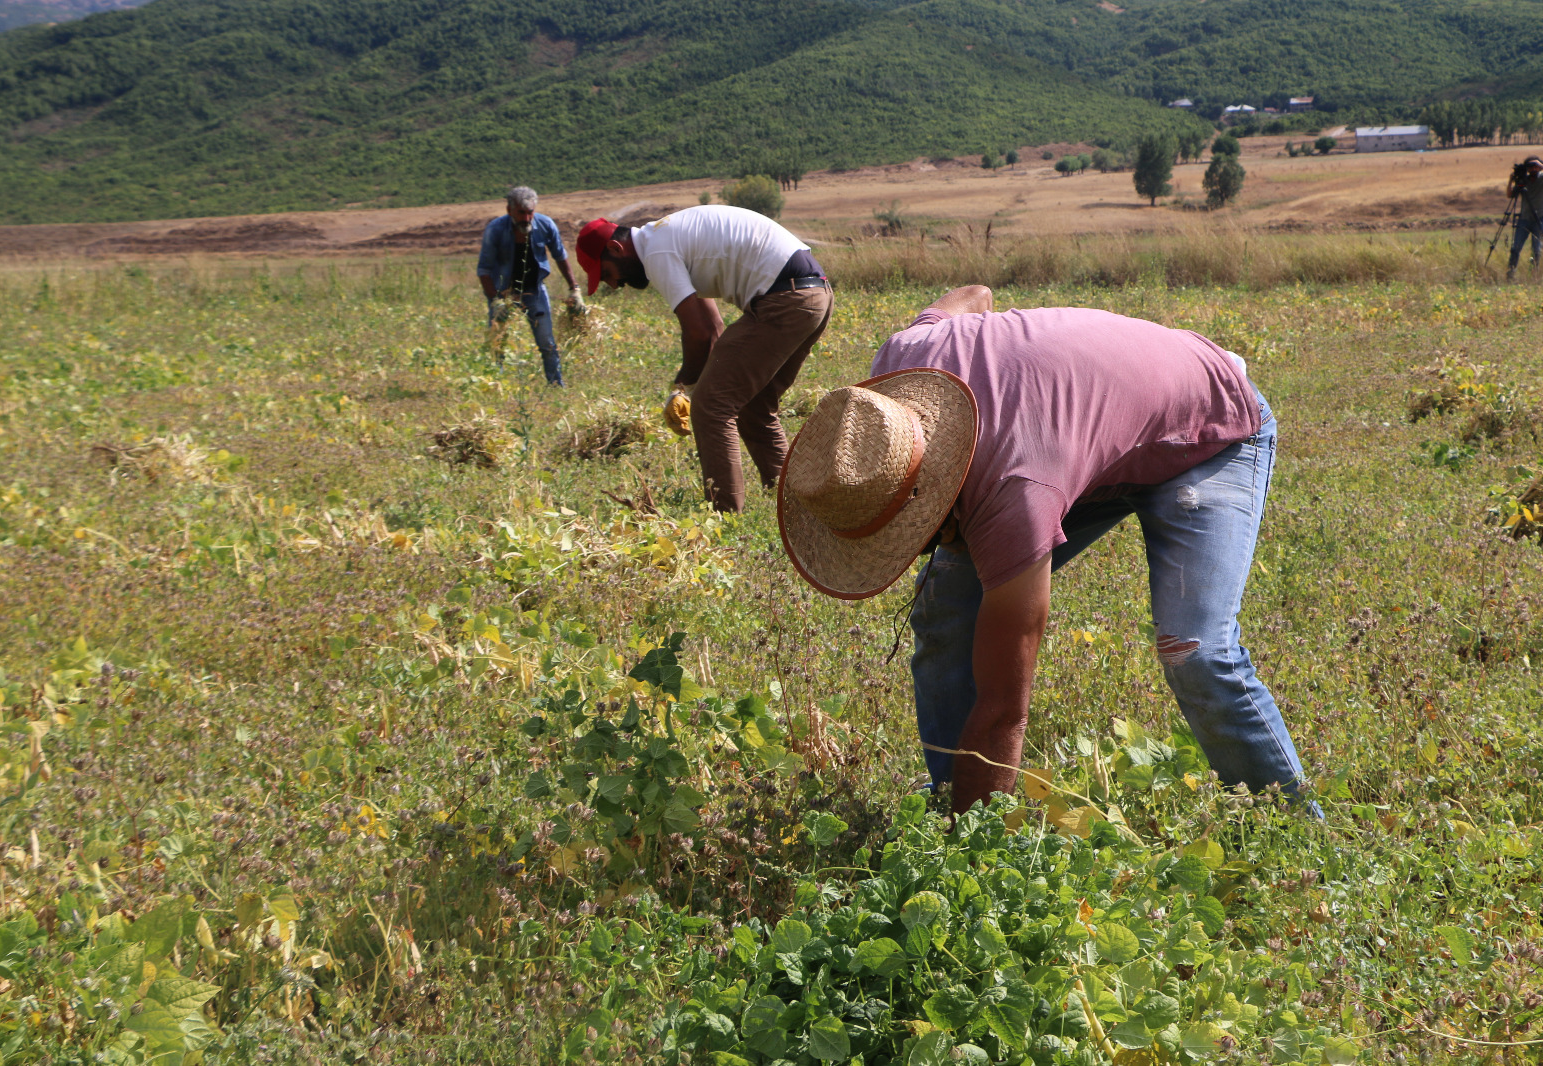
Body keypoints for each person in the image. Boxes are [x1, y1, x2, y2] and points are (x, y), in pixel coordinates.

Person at [776, 285, 1311, 815]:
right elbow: (972, 294)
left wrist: (972, 856)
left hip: (1209, 425)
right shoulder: (899, 366)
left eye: (907, 534)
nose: (911, 549)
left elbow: (1004, 707)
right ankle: (947, 799)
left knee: (1195, 651)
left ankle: (1294, 834)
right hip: (1086, 445)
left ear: (928, 492)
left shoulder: (1016, 490)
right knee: (943, 606)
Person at [574, 205, 833, 512]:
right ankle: (797, 506)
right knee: (754, 406)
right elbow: (713, 328)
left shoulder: (655, 251)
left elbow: (697, 332)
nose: (614, 285)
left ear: (616, 248)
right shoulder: (668, 237)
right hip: (814, 294)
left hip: (785, 299)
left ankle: (724, 517)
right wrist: (697, 382)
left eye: (607, 274)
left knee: (711, 408)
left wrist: (682, 387)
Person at [478, 186, 584, 387]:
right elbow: (484, 269)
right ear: (509, 210)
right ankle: (494, 386)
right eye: (521, 213)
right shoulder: (495, 230)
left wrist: (575, 289)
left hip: (534, 290)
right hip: (504, 293)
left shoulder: (545, 225)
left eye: (530, 213)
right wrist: (496, 301)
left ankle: (555, 384)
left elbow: (560, 256)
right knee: (497, 342)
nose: (526, 218)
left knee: (547, 342)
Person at [1506, 156, 1543, 281]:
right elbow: (1510, 195)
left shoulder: (1541, 178)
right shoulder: (1523, 181)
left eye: (1535, 167)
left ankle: (1534, 274)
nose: (1533, 170)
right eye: (1530, 167)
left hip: (1539, 219)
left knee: (1537, 250)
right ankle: (1511, 273)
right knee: (1516, 247)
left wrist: (1540, 165)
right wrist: (1511, 181)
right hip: (1524, 219)